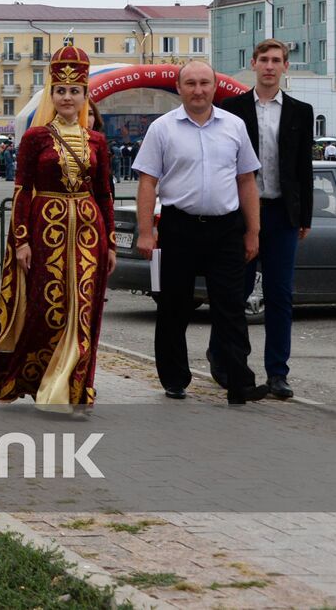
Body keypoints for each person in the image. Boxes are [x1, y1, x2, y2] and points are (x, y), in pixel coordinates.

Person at [0, 44, 115, 407]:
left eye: (75, 91)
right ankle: (37, 379)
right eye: (60, 90)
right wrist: (21, 240)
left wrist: (112, 243)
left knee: (83, 308)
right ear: (51, 94)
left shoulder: (98, 142)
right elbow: (23, 191)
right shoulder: (35, 138)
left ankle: (72, 386)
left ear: (85, 94)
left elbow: (104, 193)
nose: (67, 97)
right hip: (45, 232)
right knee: (46, 309)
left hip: (89, 232)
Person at [132, 59, 269, 404]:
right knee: (174, 307)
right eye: (190, 83)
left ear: (213, 87)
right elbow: (148, 182)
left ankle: (239, 383)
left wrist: (253, 231)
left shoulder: (234, 126)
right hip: (179, 227)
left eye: (204, 83)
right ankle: (175, 379)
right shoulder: (162, 129)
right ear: (179, 89)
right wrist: (146, 232)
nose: (198, 90)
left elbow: (246, 180)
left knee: (231, 308)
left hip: (226, 230)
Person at [214, 39, 312, 400]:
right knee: (232, 292)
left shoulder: (301, 111)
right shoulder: (232, 109)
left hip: (282, 213)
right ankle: (225, 361)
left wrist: (305, 216)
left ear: (285, 66)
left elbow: (303, 167)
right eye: (263, 60)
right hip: (240, 215)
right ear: (253, 64)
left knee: (280, 295)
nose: (269, 66)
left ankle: (278, 373)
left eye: (276, 60)